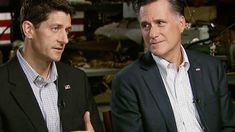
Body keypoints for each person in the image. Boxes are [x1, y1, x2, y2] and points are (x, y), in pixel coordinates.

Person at [111, 0, 235, 131]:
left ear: (181, 24)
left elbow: (229, 126)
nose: (152, 34)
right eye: (146, 25)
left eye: (160, 23)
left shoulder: (212, 68)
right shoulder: (127, 81)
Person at [0, 0, 103, 132]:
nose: (65, 39)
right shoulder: (2, 84)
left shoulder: (78, 80)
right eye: (55, 28)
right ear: (29, 29)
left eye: (67, 30)